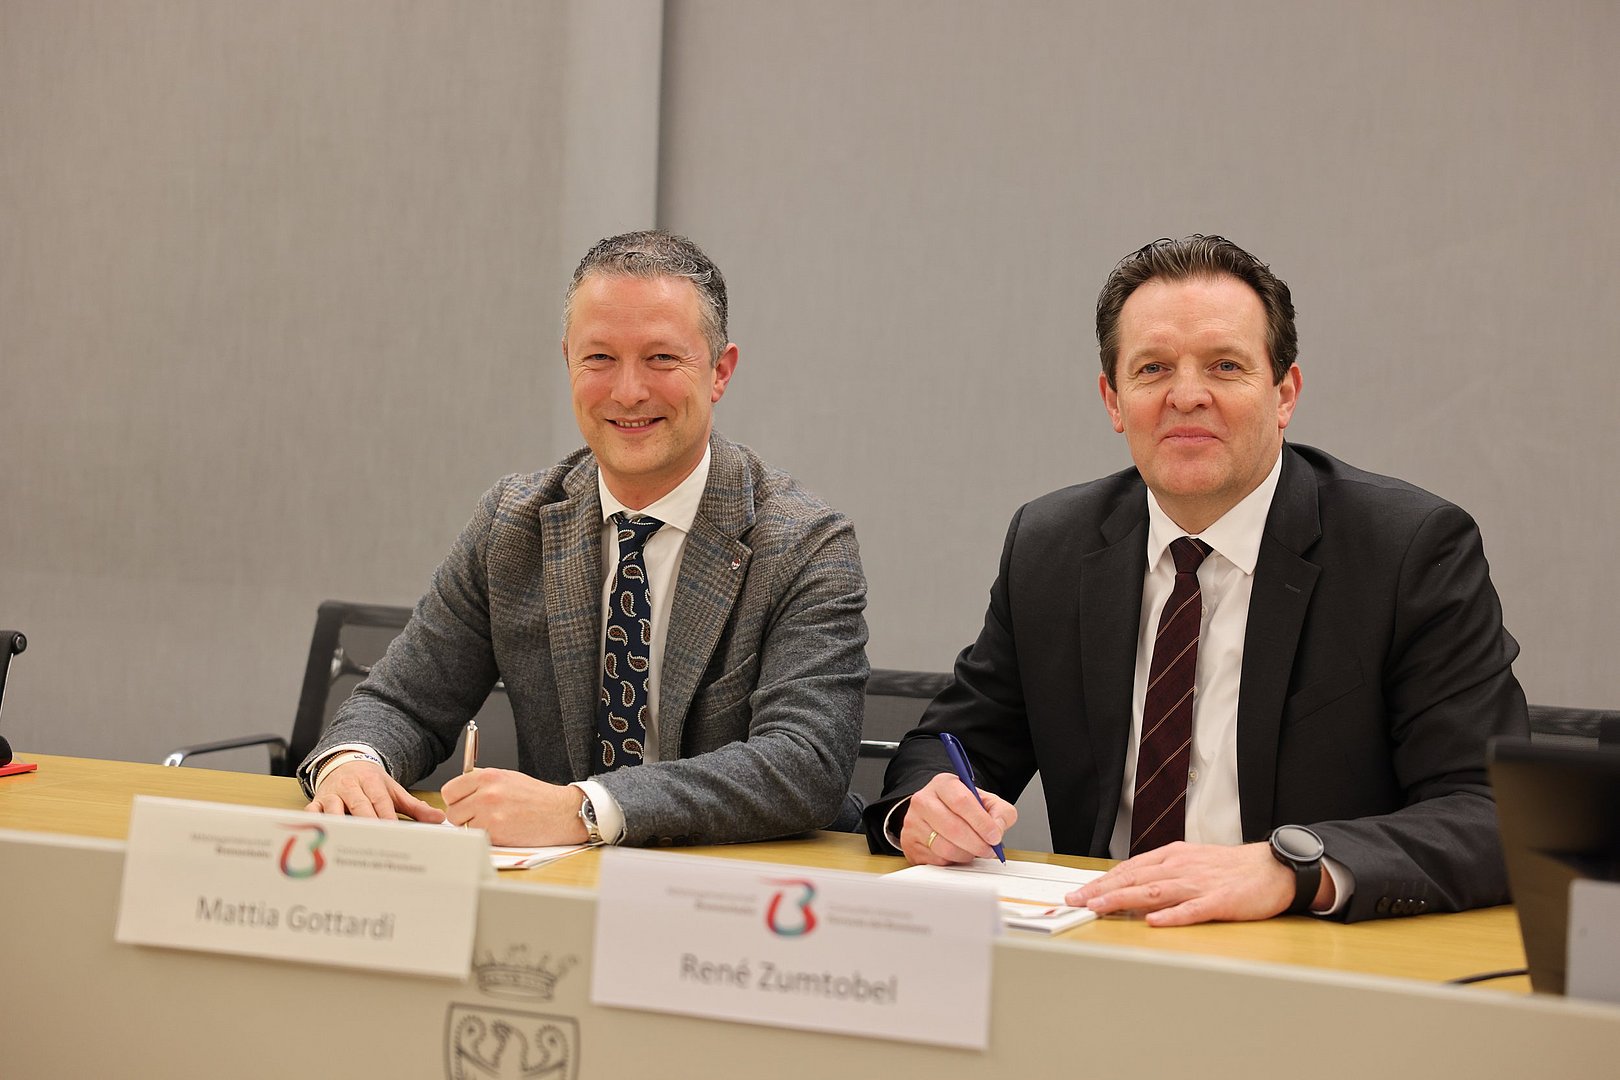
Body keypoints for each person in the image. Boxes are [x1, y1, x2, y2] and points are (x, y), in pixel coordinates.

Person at [865, 235, 1527, 924]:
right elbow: (951, 747)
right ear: (1113, 400)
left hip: (1308, 946)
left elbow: (1488, 813)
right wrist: (926, 806)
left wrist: (1294, 869)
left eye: (1225, 366)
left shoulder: (1406, 550)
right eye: (1153, 369)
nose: (1186, 396)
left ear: (1284, 394)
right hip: (1105, 938)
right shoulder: (1051, 547)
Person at [302, 230, 869, 847]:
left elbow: (805, 763)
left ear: (719, 371)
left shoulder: (804, 544)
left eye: (661, 358)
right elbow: (403, 703)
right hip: (559, 883)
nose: (627, 391)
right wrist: (354, 761)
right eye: (599, 358)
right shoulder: (513, 525)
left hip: (743, 883)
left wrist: (587, 808)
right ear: (568, 361)